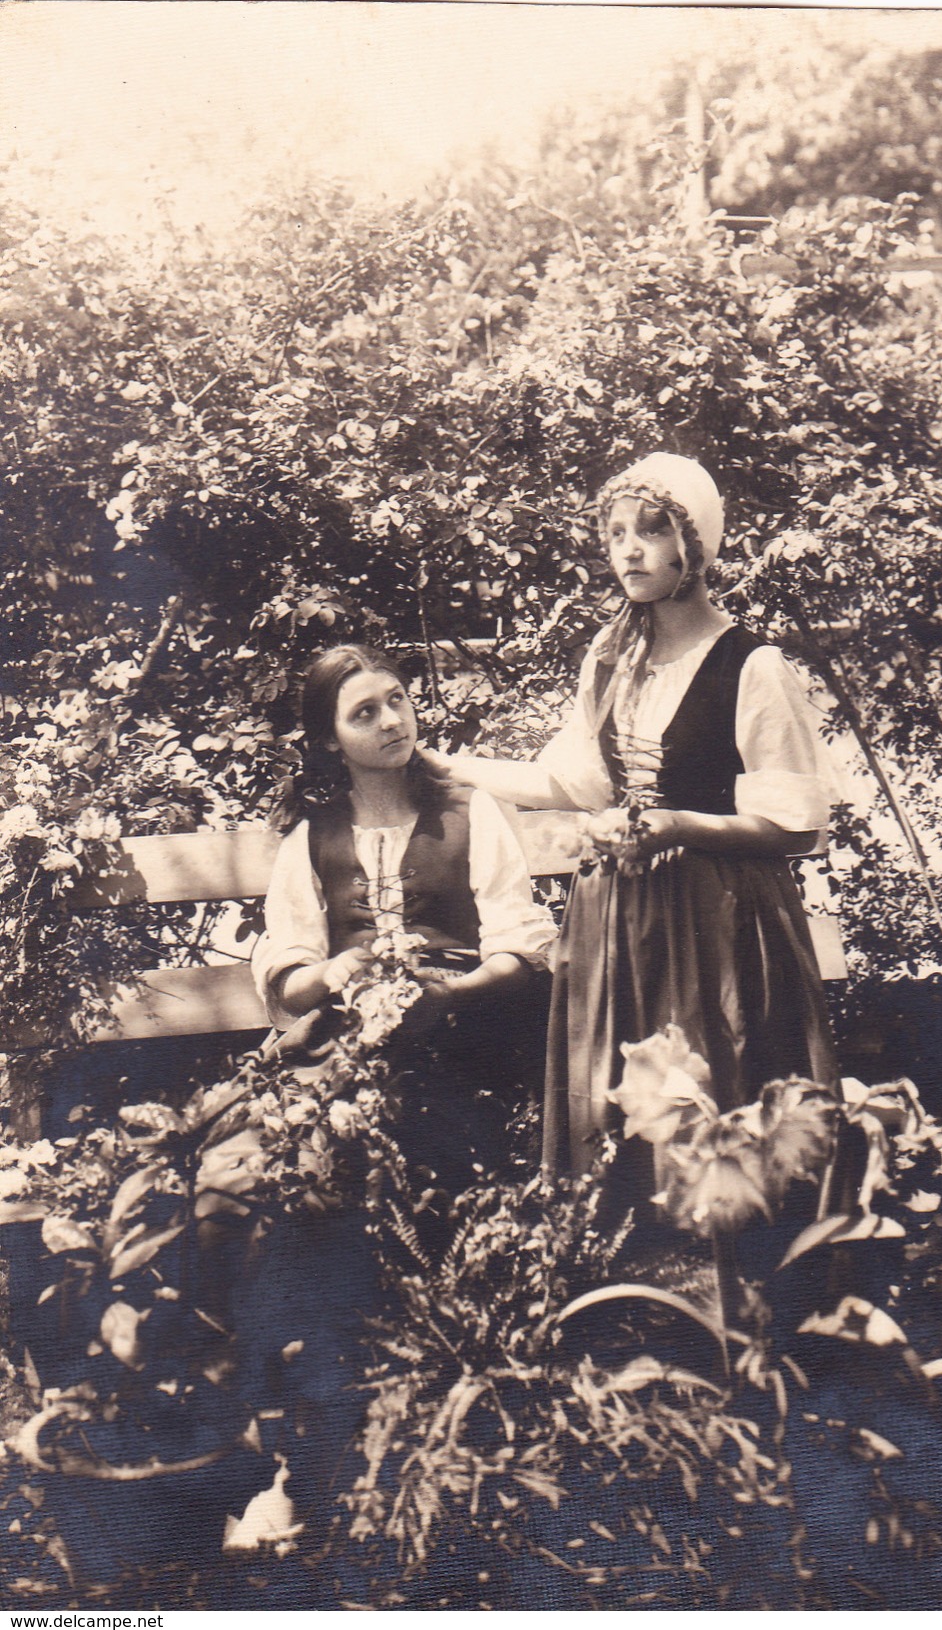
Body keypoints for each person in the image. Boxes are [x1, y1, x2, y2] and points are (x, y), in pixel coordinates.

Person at [421, 452, 842, 1220]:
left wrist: (676, 824)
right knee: (617, 1095)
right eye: (616, 533)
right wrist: (450, 768)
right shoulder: (612, 660)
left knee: (717, 1088)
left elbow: (793, 825)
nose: (629, 550)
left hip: (719, 921)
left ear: (696, 545)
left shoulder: (751, 665)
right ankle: (625, 1285)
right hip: (619, 921)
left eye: (652, 530)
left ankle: (740, 1279)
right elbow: (572, 784)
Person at [251, 641, 556, 1191]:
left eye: (397, 700)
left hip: (471, 1025)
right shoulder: (313, 834)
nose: (391, 721)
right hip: (352, 1033)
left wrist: (449, 994)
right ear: (329, 737)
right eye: (364, 713)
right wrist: (331, 973)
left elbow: (518, 950)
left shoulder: (469, 811)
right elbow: (291, 983)